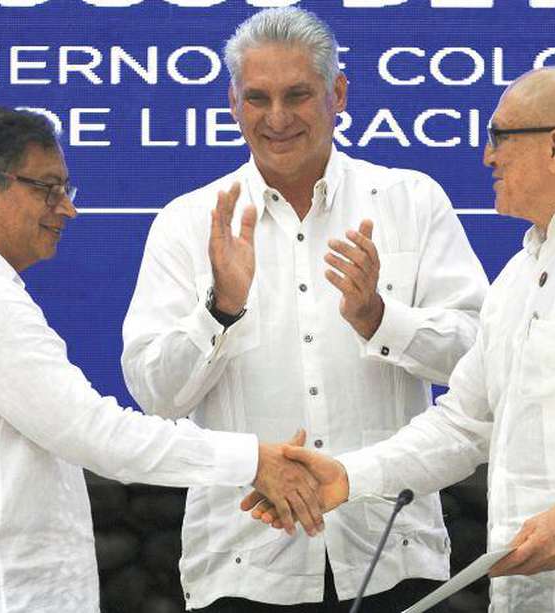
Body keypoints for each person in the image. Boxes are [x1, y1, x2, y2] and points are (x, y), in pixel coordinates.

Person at [245, 67, 555, 613]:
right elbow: (463, 422)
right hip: (531, 595)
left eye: (499, 136)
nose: (487, 157)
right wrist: (346, 477)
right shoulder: (517, 274)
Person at [0, 105, 324, 612]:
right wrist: (252, 460)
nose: (66, 209)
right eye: (47, 188)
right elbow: (97, 435)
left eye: (66, 190)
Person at [120, 7, 488, 612]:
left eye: (298, 95)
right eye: (258, 98)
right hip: (244, 561)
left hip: (389, 553)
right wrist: (222, 309)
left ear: (337, 93)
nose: (278, 117)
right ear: (233, 102)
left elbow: (481, 359)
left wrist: (379, 317)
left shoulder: (410, 201)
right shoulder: (189, 223)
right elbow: (155, 394)